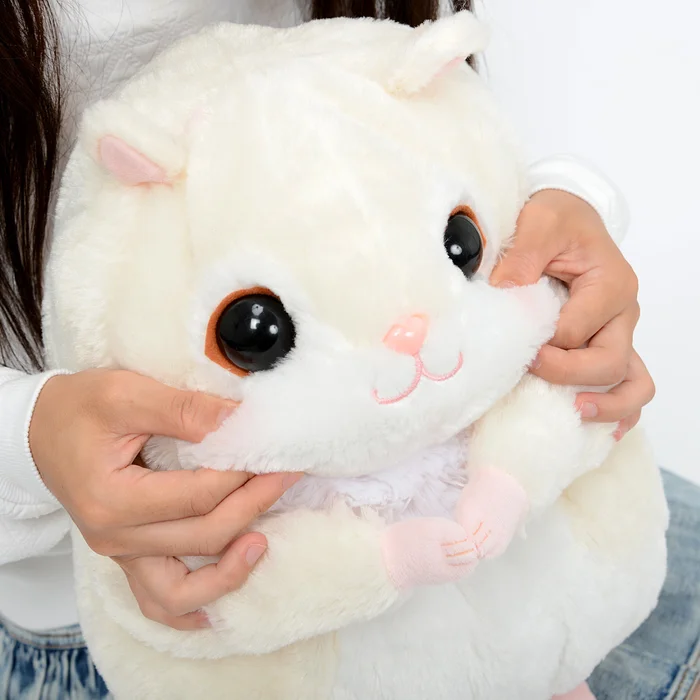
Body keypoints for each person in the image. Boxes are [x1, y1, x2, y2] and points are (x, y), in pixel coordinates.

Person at [0, 1, 696, 698]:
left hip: (518, 517)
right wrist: (32, 438)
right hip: (184, 602)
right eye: (253, 331)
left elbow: (404, 152)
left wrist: (557, 209)